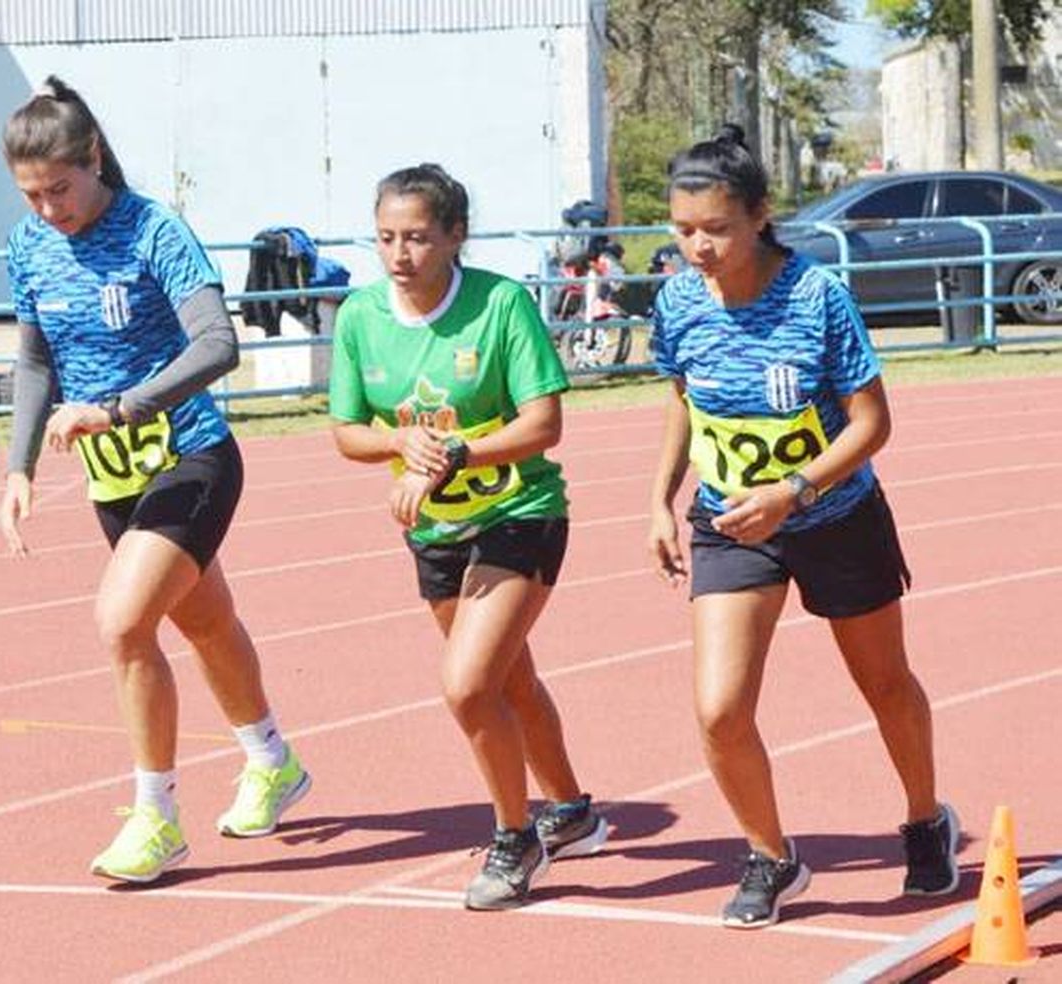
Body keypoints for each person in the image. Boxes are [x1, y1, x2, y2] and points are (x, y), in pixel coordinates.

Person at [0, 76, 311, 884]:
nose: (47, 210)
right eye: (31, 195)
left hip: (191, 456)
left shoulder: (154, 231)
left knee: (123, 624)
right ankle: (271, 759)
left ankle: (155, 816)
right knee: (204, 622)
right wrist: (18, 466)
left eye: (59, 190)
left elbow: (216, 345)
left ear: (93, 157)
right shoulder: (29, 245)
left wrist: (121, 407)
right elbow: (34, 360)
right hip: (113, 480)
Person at [646, 125, 960, 929]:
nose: (698, 247)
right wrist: (660, 498)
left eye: (715, 229)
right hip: (728, 522)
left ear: (760, 216)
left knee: (883, 683)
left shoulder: (817, 296)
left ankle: (926, 820)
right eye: (683, 231)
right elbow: (683, 402)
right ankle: (772, 857)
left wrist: (795, 490)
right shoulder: (678, 301)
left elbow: (871, 424)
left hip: (836, 517)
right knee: (718, 709)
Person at [327, 163, 607, 912]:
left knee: (467, 684)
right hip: (436, 528)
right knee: (509, 679)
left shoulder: (501, 305)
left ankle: (516, 839)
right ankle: (572, 809)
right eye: (385, 238)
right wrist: (399, 442)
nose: (399, 255)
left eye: (418, 237)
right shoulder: (359, 316)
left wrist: (456, 453)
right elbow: (347, 431)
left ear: (455, 235)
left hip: (522, 512)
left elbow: (542, 424)